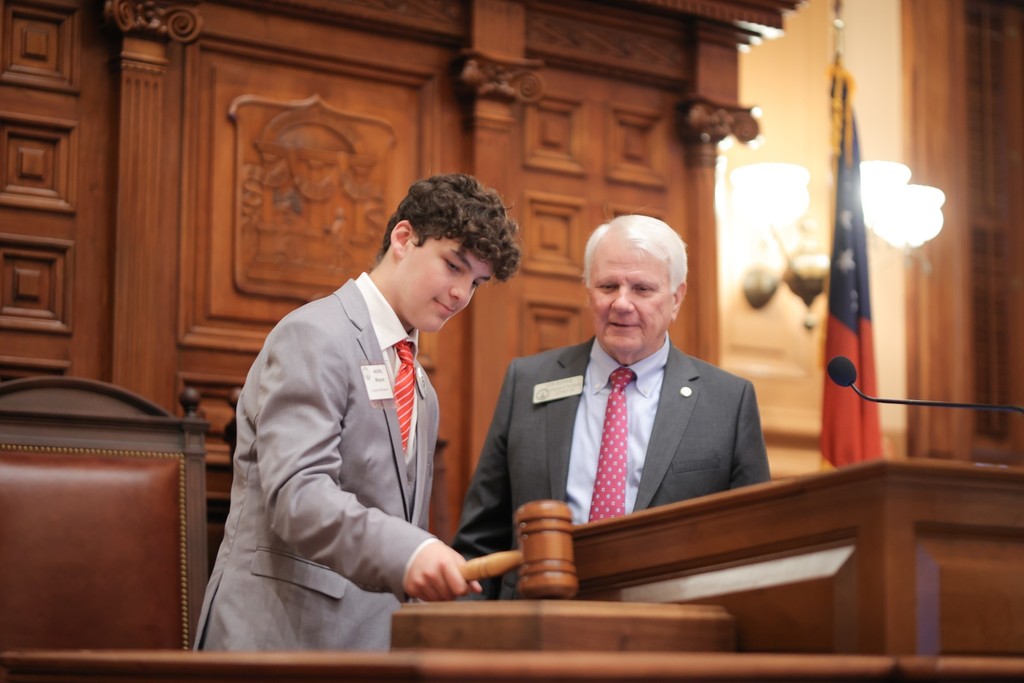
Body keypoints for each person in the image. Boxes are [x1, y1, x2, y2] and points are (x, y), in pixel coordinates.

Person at [196, 173, 521, 649]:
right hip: (276, 643)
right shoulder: (316, 333)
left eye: (476, 283)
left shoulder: (423, 388)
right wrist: (412, 553)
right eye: (453, 267)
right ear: (404, 238)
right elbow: (298, 496)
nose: (461, 295)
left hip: (369, 649)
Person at [452, 214, 770, 599]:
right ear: (587, 290)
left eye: (642, 289)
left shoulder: (727, 402)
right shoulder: (529, 382)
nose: (621, 303)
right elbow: (482, 538)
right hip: (537, 631)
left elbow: (754, 550)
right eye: (608, 286)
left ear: (676, 298)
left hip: (670, 636)